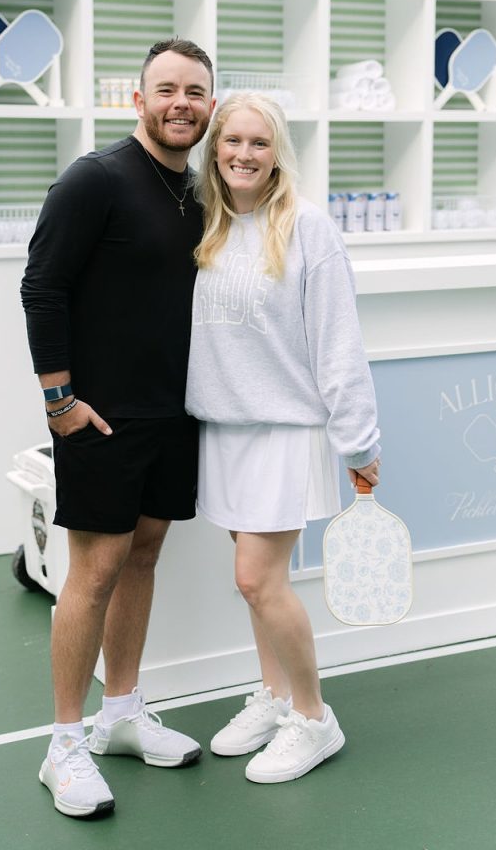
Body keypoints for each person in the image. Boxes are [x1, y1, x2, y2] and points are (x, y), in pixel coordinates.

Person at [20, 38, 216, 818]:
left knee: (141, 559)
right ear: (137, 100)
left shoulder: (195, 191)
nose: (181, 103)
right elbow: (42, 284)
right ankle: (63, 745)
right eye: (166, 88)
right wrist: (59, 401)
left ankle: (122, 715)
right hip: (100, 420)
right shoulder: (94, 180)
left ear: (208, 103)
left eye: (195, 92)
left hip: (174, 414)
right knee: (93, 573)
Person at [185, 92, 381, 784]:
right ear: (215, 148)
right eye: (231, 140)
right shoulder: (204, 222)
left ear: (278, 153)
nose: (243, 153)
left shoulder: (309, 228)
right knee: (252, 587)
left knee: (257, 580)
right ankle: (272, 698)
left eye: (258, 143)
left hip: (285, 432)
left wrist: (358, 444)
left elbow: (338, 344)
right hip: (222, 431)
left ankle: (313, 718)